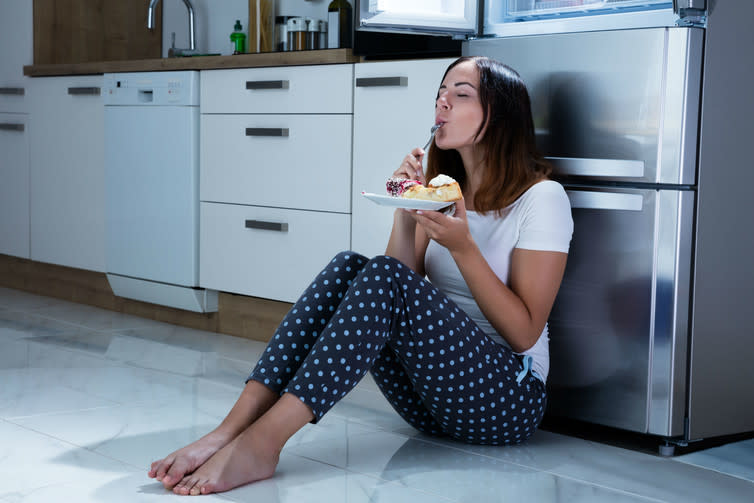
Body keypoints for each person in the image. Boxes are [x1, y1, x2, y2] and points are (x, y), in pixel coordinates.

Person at [147, 56, 573, 496]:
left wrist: (463, 248)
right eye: (439, 94)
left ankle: (264, 442)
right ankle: (229, 431)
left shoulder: (541, 198)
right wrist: (407, 210)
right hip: (429, 405)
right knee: (352, 266)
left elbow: (525, 334)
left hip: (506, 403)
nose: (442, 102)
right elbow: (395, 291)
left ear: (501, 117)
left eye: (460, 95)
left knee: (380, 275)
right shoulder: (446, 187)